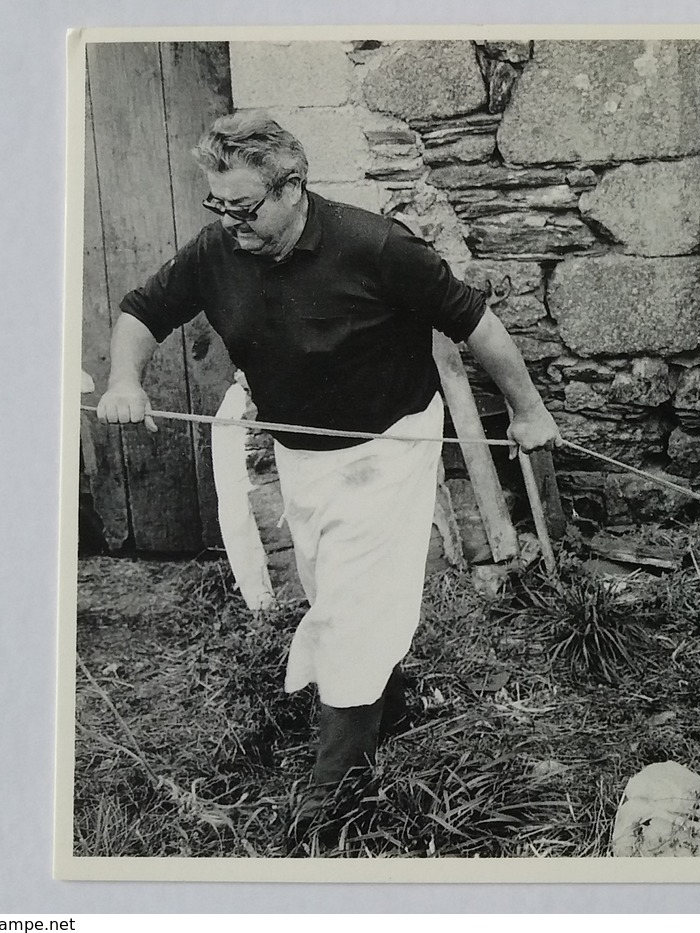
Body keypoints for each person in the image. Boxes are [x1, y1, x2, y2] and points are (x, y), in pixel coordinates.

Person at [96, 112, 560, 831]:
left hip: (386, 447)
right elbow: (141, 311)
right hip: (301, 453)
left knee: (351, 607)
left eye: (244, 208)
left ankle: (334, 783)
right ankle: (385, 701)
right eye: (216, 205)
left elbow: (476, 323)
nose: (228, 223)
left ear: (292, 188)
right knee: (332, 589)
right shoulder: (218, 249)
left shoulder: (374, 246)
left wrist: (527, 412)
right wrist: (124, 379)